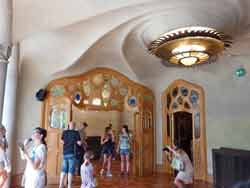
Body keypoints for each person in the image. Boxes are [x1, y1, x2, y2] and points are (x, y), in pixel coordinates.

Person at [59, 121, 81, 188]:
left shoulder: (64, 132)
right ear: (74, 126)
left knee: (63, 170)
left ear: (68, 125)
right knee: (70, 171)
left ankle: (60, 185)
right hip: (72, 153)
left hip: (65, 153)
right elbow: (79, 143)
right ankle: (69, 186)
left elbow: (61, 141)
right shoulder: (76, 132)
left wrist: (67, 142)